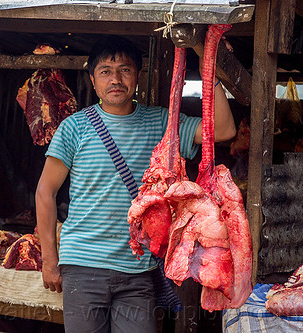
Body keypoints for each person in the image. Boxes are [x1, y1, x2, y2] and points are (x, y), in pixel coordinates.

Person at [35, 35, 235, 332]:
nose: (115, 79)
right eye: (105, 71)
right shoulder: (74, 128)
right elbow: (45, 192)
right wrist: (50, 260)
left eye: (124, 70)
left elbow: (223, 129)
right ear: (93, 80)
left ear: (137, 76)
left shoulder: (161, 123)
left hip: (138, 270)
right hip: (83, 267)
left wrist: (211, 73)